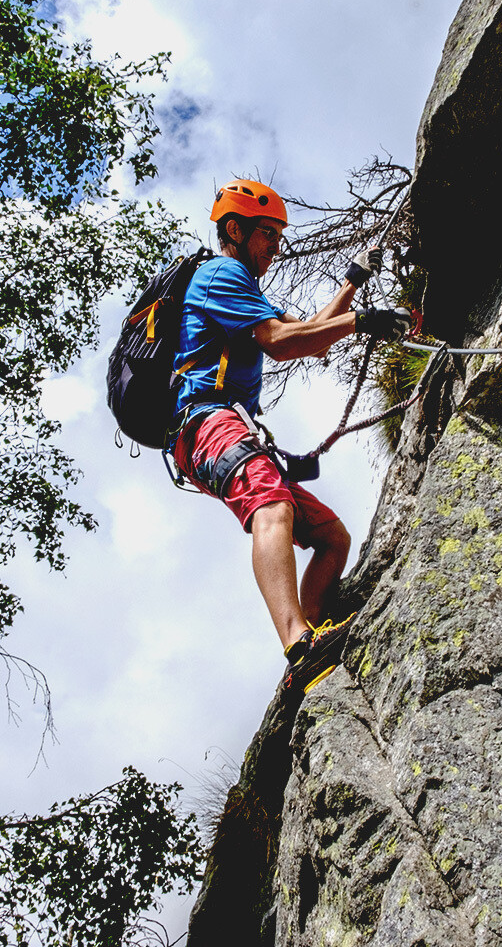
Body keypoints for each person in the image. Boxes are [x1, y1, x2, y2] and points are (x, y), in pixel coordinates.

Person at [168, 179, 410, 693]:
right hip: (206, 422)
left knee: (331, 538)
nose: (277, 247)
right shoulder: (221, 274)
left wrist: (353, 283)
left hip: (222, 427)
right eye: (268, 235)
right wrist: (362, 320)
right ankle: (299, 644)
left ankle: (316, 630)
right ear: (235, 229)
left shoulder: (245, 289)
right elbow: (279, 342)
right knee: (271, 508)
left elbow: (313, 338)